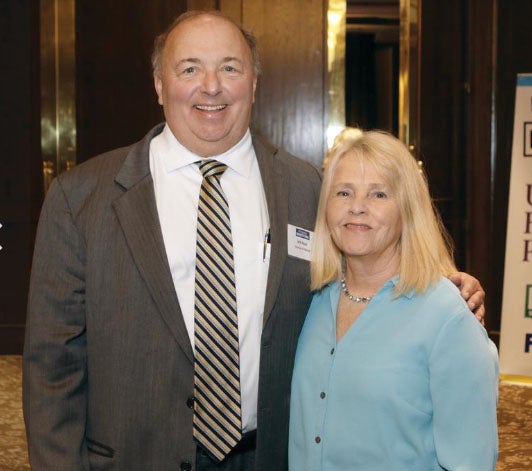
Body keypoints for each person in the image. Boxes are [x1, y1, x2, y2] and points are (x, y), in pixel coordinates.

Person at [22, 10, 486, 471]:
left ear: (254, 84)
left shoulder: (307, 189)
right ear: (160, 85)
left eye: (230, 68)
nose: (211, 86)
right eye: (189, 69)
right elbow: (51, 368)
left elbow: (368, 261)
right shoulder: (80, 199)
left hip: (269, 457)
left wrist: (445, 285)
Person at [289, 128, 499, 470]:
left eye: (379, 194)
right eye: (343, 192)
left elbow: (470, 460)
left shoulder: (448, 316)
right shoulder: (311, 299)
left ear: (408, 210)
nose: (357, 207)